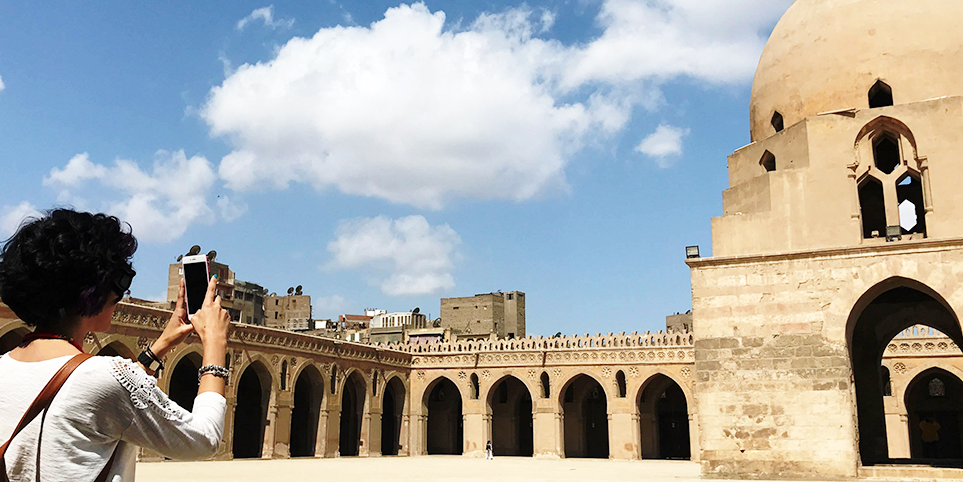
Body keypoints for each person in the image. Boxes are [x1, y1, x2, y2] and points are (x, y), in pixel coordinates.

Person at [0, 209, 231, 482]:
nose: (121, 295)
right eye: (119, 281)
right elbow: (204, 439)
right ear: (92, 291)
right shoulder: (105, 377)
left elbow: (89, 387)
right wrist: (215, 343)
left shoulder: (5, 365)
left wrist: (160, 346)